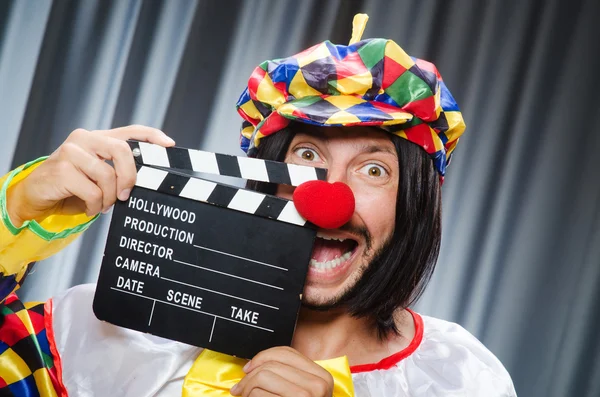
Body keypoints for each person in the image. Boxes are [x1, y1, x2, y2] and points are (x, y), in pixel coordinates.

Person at [0, 15, 517, 397]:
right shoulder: (112, 331)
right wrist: (15, 213)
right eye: (307, 155)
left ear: (415, 206)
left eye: (374, 169)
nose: (327, 198)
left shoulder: (460, 378)